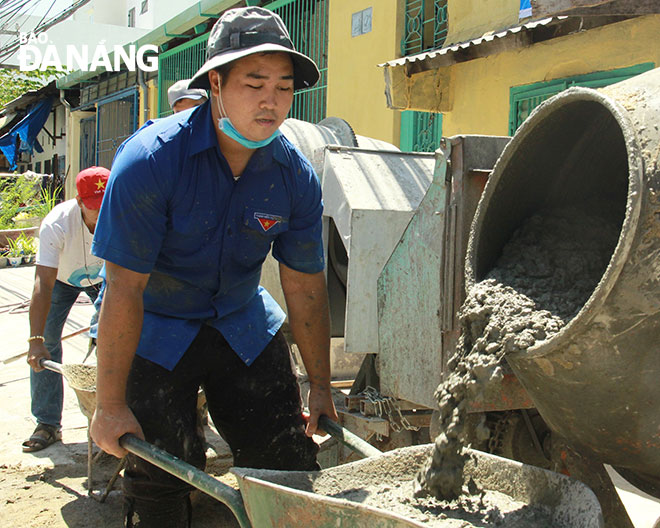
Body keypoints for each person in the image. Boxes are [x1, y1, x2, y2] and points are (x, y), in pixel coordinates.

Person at [90, 7, 337, 526]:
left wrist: (319, 384)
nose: (271, 101)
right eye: (254, 83)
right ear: (216, 84)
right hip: (155, 326)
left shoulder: (294, 176)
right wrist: (109, 404)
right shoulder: (151, 162)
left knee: (287, 463)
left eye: (284, 87)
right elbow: (124, 289)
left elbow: (305, 285)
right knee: (164, 472)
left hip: (242, 322)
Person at [23, 166, 109, 452]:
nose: (99, 213)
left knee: (116, 338)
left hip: (107, 279)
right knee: (47, 341)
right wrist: (35, 341)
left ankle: (116, 412)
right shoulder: (57, 223)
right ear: (79, 200)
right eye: (93, 207)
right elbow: (42, 284)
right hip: (61, 280)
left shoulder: (122, 214)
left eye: (104, 204)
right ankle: (47, 423)